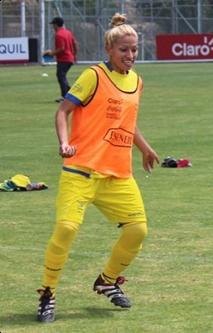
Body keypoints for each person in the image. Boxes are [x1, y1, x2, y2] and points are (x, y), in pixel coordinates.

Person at [37, 13, 160, 323]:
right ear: (109, 49)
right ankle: (47, 294)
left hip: (117, 173)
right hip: (81, 170)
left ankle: (107, 281)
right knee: (66, 229)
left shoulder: (136, 81)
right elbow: (62, 112)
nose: (130, 56)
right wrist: (64, 144)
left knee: (137, 230)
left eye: (134, 50)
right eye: (124, 50)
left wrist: (144, 148)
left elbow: (126, 123)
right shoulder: (94, 75)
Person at [44, 17, 78, 102]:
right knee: (61, 76)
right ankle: (71, 94)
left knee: (61, 76)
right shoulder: (68, 32)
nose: (53, 27)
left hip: (64, 59)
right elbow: (75, 44)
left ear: (56, 25)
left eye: (53, 25)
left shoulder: (59, 34)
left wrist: (51, 53)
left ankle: (66, 96)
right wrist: (74, 55)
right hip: (70, 58)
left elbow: (61, 48)